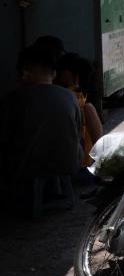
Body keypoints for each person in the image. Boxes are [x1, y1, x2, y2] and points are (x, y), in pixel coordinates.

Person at [0, 46, 83, 209]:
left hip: (27, 166)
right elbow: (78, 130)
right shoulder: (70, 96)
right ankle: (55, 188)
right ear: (54, 73)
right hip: (69, 163)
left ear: (25, 72)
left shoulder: (13, 98)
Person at [55, 53, 103, 168]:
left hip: (70, 167)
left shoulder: (63, 98)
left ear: (67, 73)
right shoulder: (83, 99)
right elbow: (99, 141)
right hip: (82, 165)